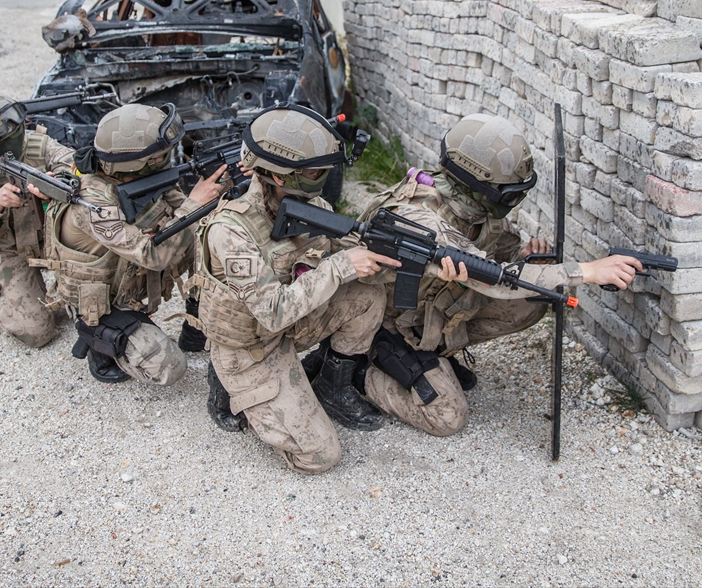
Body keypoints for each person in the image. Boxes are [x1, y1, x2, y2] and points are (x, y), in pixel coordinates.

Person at [349, 113, 643, 437]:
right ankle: (358, 370)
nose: (515, 202)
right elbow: (495, 278)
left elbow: (503, 258)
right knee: (447, 417)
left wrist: (525, 257)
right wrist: (587, 271)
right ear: (481, 186)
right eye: (510, 194)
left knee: (533, 299)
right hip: (383, 327)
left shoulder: (474, 208)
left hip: (423, 311)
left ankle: (433, 354)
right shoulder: (425, 222)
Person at [192, 105, 398, 473]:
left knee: (368, 295)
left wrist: (424, 263)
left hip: (294, 323)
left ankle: (332, 387)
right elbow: (272, 313)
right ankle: (226, 381)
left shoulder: (310, 205)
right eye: (314, 171)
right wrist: (341, 266)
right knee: (320, 456)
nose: (322, 179)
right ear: (280, 176)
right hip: (250, 344)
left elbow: (347, 247)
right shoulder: (231, 229)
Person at [39, 103, 227, 385]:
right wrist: (194, 203)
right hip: (101, 299)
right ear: (137, 163)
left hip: (126, 275)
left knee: (208, 240)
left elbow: (186, 214)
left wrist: (217, 189)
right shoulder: (93, 204)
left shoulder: (139, 177)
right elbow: (153, 256)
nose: (168, 159)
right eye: (161, 155)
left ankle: (196, 320)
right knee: (169, 367)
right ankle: (98, 340)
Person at [0, 92, 75, 348]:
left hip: (56, 244)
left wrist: (57, 181)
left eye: (15, 127)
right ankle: (2, 302)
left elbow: (71, 166)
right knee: (36, 333)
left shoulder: (39, 145)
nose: (13, 135)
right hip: (10, 251)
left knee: (92, 309)